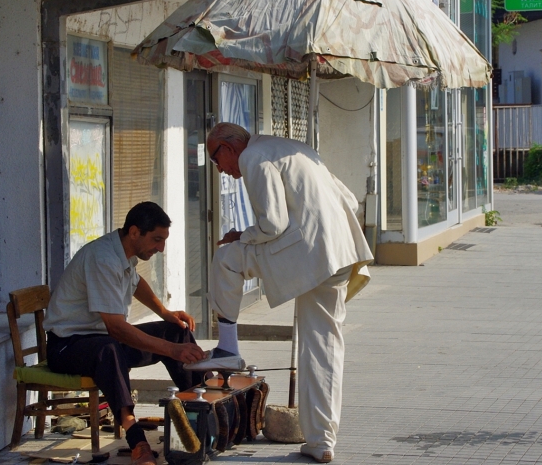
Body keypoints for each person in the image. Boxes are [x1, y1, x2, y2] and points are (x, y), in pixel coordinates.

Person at [184, 123, 374, 463]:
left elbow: (273, 224)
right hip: (340, 252)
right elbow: (347, 199)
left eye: (216, 160)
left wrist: (241, 236)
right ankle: (321, 440)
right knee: (324, 347)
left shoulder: (253, 158)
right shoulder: (289, 147)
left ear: (228, 148)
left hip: (310, 257)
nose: (220, 169)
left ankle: (228, 347)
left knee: (226, 258)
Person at [44, 201, 207, 465]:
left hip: (103, 340)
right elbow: (117, 328)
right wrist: (172, 351)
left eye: (163, 240)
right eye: (156, 239)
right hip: (66, 346)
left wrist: (166, 313)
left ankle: (205, 411)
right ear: (134, 232)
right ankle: (137, 441)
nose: (161, 248)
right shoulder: (103, 258)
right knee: (110, 349)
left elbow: (136, 283)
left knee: (176, 331)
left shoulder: (124, 253)